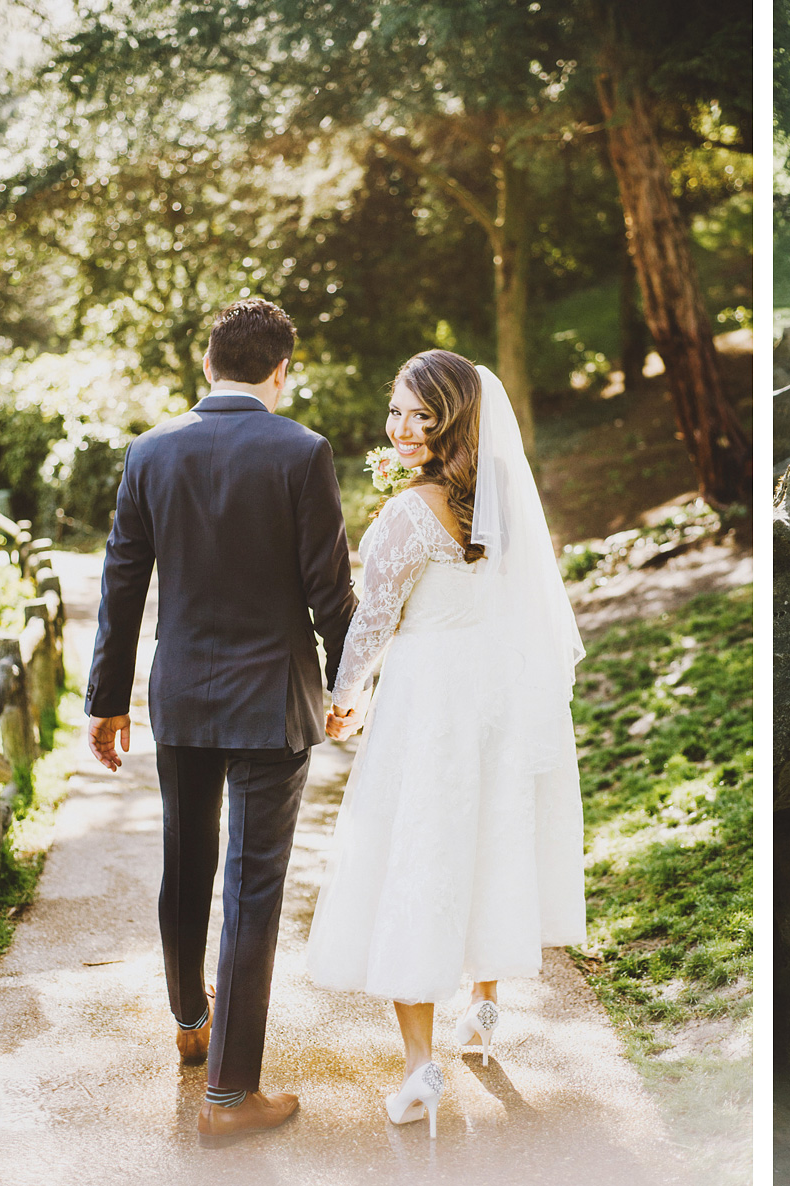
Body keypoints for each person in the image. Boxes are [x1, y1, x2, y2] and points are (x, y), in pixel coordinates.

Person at [85, 297, 357, 1144]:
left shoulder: (150, 451)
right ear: (281, 372)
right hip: (272, 700)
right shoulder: (302, 450)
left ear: (207, 365)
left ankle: (189, 1024)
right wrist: (353, 687)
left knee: (186, 858)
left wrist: (106, 700)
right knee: (251, 886)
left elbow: (121, 583)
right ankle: (232, 1097)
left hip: (182, 697)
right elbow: (330, 594)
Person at [305, 349, 586, 1136]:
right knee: (491, 838)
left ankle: (419, 1065)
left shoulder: (406, 516)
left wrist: (344, 697)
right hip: (498, 700)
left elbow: (372, 624)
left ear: (452, 423)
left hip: (429, 707)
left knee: (417, 857)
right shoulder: (506, 513)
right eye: (396, 411)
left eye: (420, 416)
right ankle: (485, 1008)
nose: (401, 427)